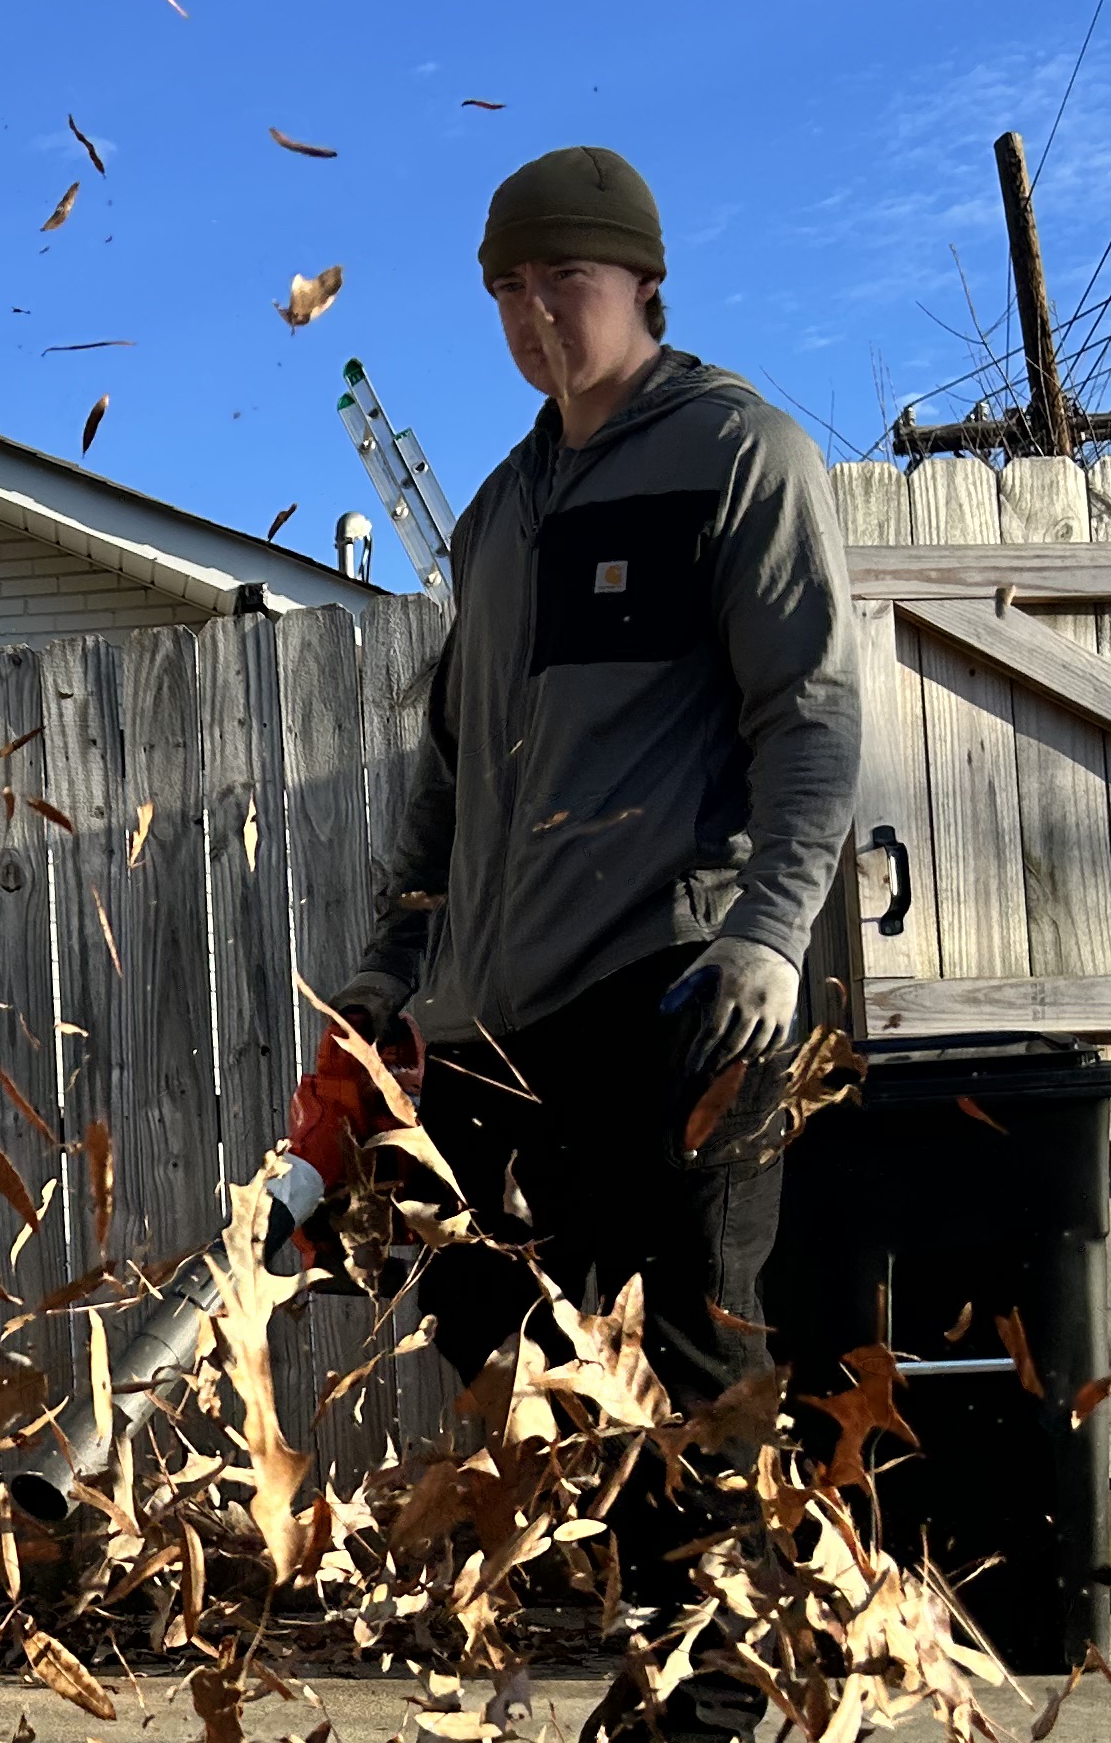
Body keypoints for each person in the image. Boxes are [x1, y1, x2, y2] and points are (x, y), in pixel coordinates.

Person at [285, 145, 859, 1644]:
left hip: (681, 992)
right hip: (497, 1015)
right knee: (464, 1289)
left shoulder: (739, 456)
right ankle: (648, 1581)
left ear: (644, 285)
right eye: (510, 287)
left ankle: (719, 1689)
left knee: (691, 1349)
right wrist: (382, 978)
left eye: (569, 280)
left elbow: (809, 721)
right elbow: (447, 787)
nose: (540, 312)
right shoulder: (497, 520)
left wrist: (771, 939)